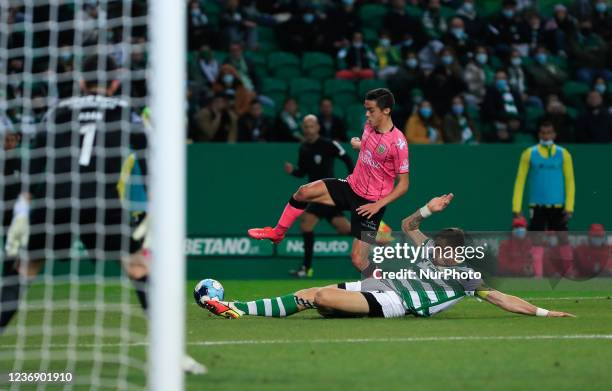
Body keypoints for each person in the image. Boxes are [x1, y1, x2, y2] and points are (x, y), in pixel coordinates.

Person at [0, 55, 205, 373]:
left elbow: (36, 161)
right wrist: (154, 208)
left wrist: (23, 208)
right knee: (139, 269)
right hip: (101, 201)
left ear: (81, 82)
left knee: (24, 268)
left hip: (56, 199)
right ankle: (173, 355)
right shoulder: (124, 111)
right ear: (114, 83)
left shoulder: (58, 110)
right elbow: (147, 157)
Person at [201, 193, 574, 320]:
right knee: (314, 293)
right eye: (440, 248)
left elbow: (501, 298)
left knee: (321, 298)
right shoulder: (430, 248)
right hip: (378, 285)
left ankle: (233, 308)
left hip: (393, 301)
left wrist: (544, 312)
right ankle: (234, 308)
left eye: (447, 251)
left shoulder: (465, 277)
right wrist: (429, 209)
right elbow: (409, 224)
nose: (440, 254)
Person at [248, 89, 409, 274]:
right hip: (350, 186)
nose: (366, 114)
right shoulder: (368, 126)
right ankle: (278, 232)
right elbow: (372, 148)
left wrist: (377, 205)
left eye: (371, 110)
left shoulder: (398, 143)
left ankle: (389, 287)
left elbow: (403, 184)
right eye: (366, 109)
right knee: (303, 192)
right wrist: (360, 145)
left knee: (358, 260)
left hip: (371, 203)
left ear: (386, 110)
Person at [284, 115, 354, 278]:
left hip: (327, 192)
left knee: (306, 224)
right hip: (316, 195)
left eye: (311, 126)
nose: (308, 129)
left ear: (317, 127)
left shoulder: (328, 144)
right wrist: (292, 171)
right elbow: (302, 172)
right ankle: (378, 235)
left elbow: (347, 157)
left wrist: (353, 178)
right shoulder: (303, 148)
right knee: (346, 229)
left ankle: (306, 268)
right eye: (306, 127)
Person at [512, 120, 575, 279]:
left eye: (549, 132)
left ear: (554, 134)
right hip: (537, 205)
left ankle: (568, 272)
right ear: (539, 134)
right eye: (543, 132)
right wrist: (516, 206)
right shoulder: (529, 153)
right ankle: (537, 275)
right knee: (537, 239)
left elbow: (570, 180)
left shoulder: (564, 154)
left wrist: (570, 206)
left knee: (563, 237)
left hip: (558, 205)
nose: (546, 135)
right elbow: (520, 180)